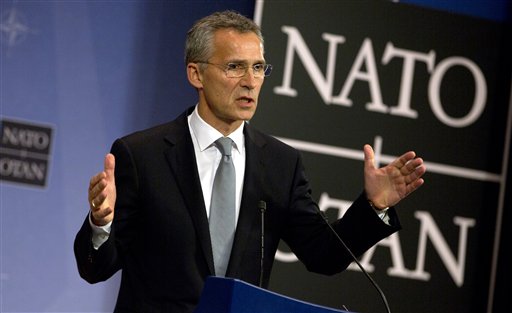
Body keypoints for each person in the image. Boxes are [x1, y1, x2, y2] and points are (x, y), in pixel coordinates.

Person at [74, 10, 426, 313]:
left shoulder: (279, 164)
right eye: (234, 67)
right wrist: (100, 224)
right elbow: (95, 269)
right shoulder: (142, 154)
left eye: (258, 68)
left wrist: (373, 206)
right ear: (196, 74)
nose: (250, 82)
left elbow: (324, 255)